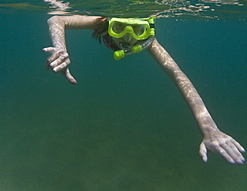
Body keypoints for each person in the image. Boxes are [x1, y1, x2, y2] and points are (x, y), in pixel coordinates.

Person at [43, 15, 245, 165]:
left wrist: (209, 128)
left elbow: (179, 76)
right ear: (109, 26)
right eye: (120, 28)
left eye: (138, 30)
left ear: (147, 30)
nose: (129, 39)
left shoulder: (149, 42)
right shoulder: (101, 21)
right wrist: (60, 48)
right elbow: (57, 19)